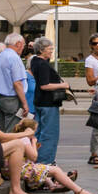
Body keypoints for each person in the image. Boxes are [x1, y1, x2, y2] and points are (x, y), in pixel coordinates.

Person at [8, 118, 94, 194]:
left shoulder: (18, 137)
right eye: (35, 130)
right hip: (22, 170)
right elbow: (34, 157)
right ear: (29, 130)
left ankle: (56, 183)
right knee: (55, 170)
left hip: (19, 169)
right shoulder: (25, 139)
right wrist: (34, 143)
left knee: (50, 167)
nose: (35, 132)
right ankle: (78, 190)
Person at [28, 38, 69, 166]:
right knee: (49, 134)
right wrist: (63, 85)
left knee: (39, 132)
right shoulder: (42, 64)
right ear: (41, 50)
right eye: (49, 49)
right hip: (48, 103)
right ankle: (46, 162)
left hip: (39, 102)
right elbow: (44, 85)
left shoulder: (34, 61)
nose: (52, 51)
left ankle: (37, 158)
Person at [0, 33, 31, 132]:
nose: (23, 48)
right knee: (12, 131)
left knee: (0, 130)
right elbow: (17, 83)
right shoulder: (14, 58)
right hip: (11, 99)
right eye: (23, 45)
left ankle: (0, 147)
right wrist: (25, 103)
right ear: (18, 44)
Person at [84, 33, 98, 166]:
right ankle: (93, 154)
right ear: (91, 46)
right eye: (94, 43)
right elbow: (89, 81)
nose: (97, 45)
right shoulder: (90, 60)